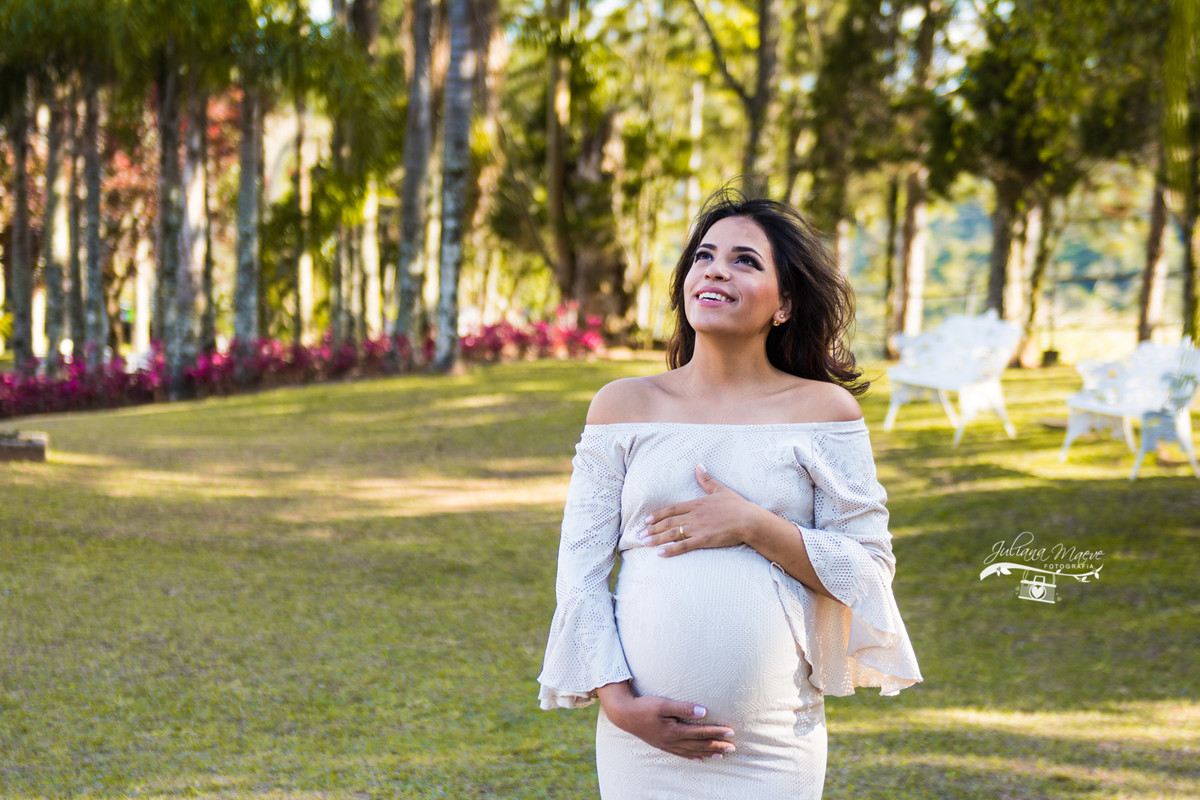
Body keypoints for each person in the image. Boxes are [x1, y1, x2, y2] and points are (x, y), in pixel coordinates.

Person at [537, 188, 922, 799]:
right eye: (704, 257)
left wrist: (753, 525)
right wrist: (618, 704)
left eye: (746, 260)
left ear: (785, 303)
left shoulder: (822, 411)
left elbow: (869, 573)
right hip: (642, 740)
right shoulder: (623, 405)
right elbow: (579, 572)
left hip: (773, 742)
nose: (715, 268)